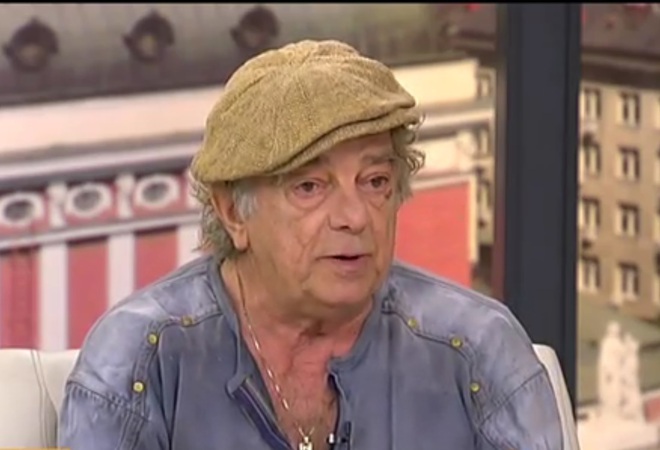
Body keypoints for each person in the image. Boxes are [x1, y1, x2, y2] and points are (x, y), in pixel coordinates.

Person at [58, 39, 563, 450]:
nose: (354, 217)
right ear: (233, 212)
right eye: (309, 187)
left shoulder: (478, 351)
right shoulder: (141, 358)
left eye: (375, 181)